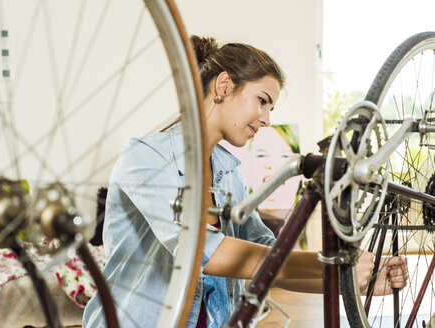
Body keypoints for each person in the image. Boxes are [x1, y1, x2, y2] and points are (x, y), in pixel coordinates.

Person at [83, 35, 408, 328]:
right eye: (262, 100)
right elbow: (201, 251)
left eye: (271, 108)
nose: (267, 119)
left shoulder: (229, 175)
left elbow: (269, 254)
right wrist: (340, 269)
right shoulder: (144, 156)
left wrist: (345, 276)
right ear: (224, 85)